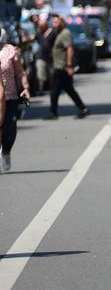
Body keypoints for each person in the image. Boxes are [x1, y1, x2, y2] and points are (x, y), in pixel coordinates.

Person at [47, 14, 89, 120]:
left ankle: (53, 112)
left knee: (55, 90)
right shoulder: (58, 33)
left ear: (61, 22)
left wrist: (69, 65)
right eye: (53, 22)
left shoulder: (65, 33)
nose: (54, 24)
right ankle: (82, 108)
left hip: (62, 67)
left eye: (56, 22)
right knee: (69, 90)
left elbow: (70, 49)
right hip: (59, 66)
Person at [0, 27, 30, 172]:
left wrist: (25, 88)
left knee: (9, 128)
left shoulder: (11, 51)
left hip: (10, 97)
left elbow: (20, 72)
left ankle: (6, 151)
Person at [34, 14, 56, 93]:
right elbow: (34, 39)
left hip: (51, 57)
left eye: (41, 25)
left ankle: (53, 88)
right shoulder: (39, 33)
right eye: (39, 26)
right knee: (40, 74)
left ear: (45, 25)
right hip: (41, 56)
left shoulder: (53, 32)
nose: (40, 27)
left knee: (52, 74)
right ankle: (41, 89)